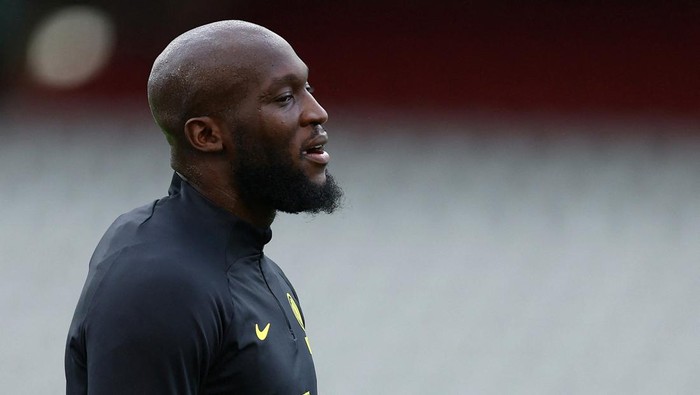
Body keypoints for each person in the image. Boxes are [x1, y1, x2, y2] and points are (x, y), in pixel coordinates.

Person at [65, 20, 342, 394]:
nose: (317, 112)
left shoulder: (252, 267)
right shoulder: (159, 282)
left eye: (307, 88)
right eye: (284, 98)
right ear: (208, 136)